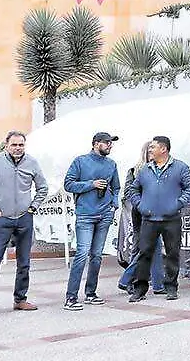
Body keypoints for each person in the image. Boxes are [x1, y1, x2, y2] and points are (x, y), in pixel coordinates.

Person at [0, 130, 48, 317]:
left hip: (24, 218)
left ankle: (20, 300)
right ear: (6, 145)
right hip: (1, 219)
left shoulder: (32, 162)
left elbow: (43, 187)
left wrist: (33, 207)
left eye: (21, 145)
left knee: (24, 263)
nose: (17, 148)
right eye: (14, 145)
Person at [127, 136, 190, 302]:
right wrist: (140, 205)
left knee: (172, 253)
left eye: (153, 147)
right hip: (149, 219)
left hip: (171, 219)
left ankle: (171, 287)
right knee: (144, 254)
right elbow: (133, 189)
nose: (150, 150)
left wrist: (177, 204)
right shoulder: (145, 169)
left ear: (163, 149)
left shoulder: (180, 167)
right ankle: (140, 289)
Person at [63, 131, 121, 311]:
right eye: (107, 143)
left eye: (111, 143)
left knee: (96, 255)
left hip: (105, 214)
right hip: (85, 215)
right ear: (96, 144)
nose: (110, 145)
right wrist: (91, 184)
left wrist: (114, 203)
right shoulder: (80, 161)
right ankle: (71, 297)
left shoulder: (112, 164)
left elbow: (116, 187)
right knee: (82, 254)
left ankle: (91, 293)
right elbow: (68, 184)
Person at [118, 140, 166, 296]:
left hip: (155, 213)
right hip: (144, 215)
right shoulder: (136, 171)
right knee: (145, 249)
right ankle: (127, 280)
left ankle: (157, 284)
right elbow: (129, 193)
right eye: (151, 151)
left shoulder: (159, 169)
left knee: (153, 248)